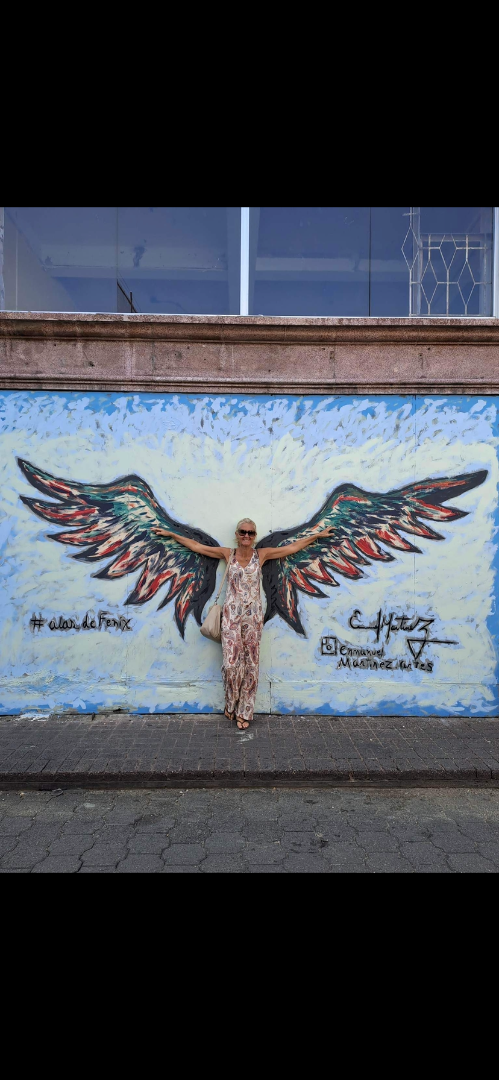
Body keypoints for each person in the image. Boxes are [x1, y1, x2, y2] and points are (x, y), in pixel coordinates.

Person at [155, 518, 334, 730]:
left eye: (251, 532)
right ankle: (231, 701)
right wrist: (172, 535)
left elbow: (291, 548)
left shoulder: (261, 555)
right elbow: (197, 546)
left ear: (254, 536)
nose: (246, 536)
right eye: (243, 532)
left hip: (253, 617)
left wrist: (316, 536)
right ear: (237, 534)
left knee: (251, 664)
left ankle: (245, 711)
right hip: (231, 616)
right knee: (231, 664)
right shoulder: (228, 554)